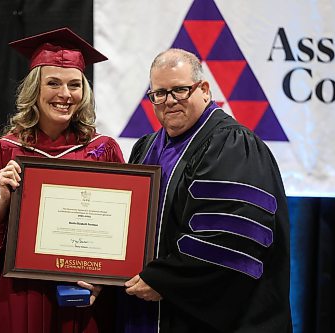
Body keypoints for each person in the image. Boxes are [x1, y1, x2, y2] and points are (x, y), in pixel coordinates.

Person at [0, 28, 124, 333]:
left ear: (85, 92)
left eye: (74, 85)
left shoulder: (102, 150)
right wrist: (2, 202)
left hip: (81, 293)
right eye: (53, 83)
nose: (65, 95)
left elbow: (123, 229)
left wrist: (104, 278)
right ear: (34, 90)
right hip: (18, 293)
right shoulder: (5, 152)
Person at [119, 48, 292, 332]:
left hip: (213, 320)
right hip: (148, 311)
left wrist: (164, 279)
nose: (169, 101)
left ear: (204, 90)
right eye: (159, 93)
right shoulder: (146, 147)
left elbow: (234, 236)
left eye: (180, 90)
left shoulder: (232, 145)